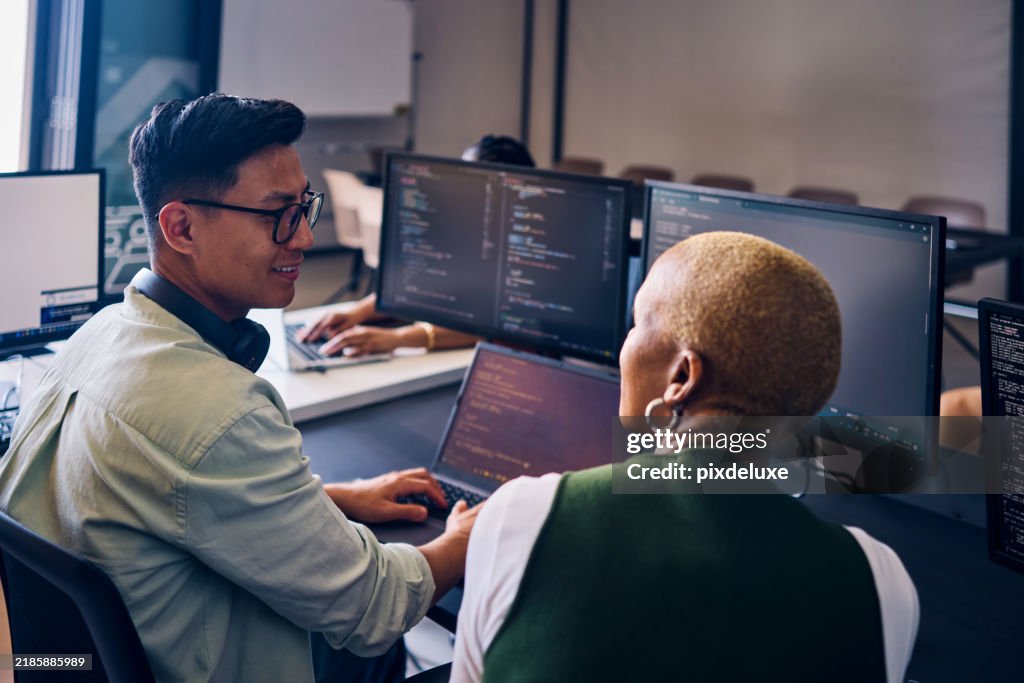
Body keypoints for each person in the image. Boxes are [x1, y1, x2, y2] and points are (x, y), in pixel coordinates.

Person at [0, 94, 478, 683]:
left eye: (305, 207)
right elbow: (374, 608)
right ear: (180, 227)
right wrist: (471, 532)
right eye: (278, 212)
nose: (303, 237)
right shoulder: (215, 413)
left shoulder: (99, 335)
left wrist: (330, 499)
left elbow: (164, 501)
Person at [451, 232, 920, 683]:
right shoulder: (882, 582)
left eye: (636, 324)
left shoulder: (526, 517)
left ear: (680, 377)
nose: (625, 345)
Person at [298, 135, 535, 356]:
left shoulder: (525, 251)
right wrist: (356, 312)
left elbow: (499, 327)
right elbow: (414, 291)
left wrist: (398, 338)